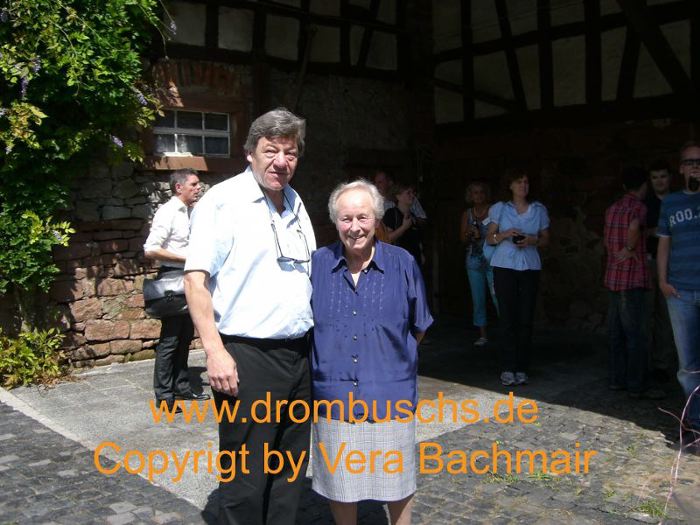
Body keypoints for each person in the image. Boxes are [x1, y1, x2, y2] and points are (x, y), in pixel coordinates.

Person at [184, 108, 316, 524]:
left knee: (290, 468)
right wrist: (214, 351)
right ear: (250, 153)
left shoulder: (296, 202)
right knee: (246, 473)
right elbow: (195, 281)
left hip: (299, 355)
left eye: (290, 153)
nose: (281, 162)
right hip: (248, 358)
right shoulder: (222, 202)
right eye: (271, 150)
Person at [310, 180, 433, 525]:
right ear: (335, 222)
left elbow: (420, 323)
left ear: (376, 218)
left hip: (389, 392)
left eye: (362, 217)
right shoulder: (318, 264)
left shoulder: (402, 263)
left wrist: (390, 359)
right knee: (341, 483)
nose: (355, 227)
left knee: (397, 480)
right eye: (346, 219)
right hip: (334, 394)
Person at [143, 168, 209, 411]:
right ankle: (164, 396)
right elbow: (150, 249)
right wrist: (186, 258)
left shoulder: (191, 212)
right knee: (170, 340)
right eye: (193, 184)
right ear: (179, 187)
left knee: (184, 337)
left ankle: (182, 387)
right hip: (172, 279)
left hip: (188, 278)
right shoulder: (168, 212)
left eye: (198, 183)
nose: (198, 187)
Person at [603, 167, 664, 400]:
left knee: (615, 332)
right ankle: (637, 383)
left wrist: (617, 252)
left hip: (613, 275)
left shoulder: (612, 209)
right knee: (636, 334)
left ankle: (616, 379)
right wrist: (629, 248)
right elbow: (634, 227)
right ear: (643, 186)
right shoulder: (639, 207)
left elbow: (608, 239)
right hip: (632, 275)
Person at [486, 169, 549, 386]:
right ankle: (507, 366)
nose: (523, 185)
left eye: (526, 181)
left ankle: (522, 367)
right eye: (519, 181)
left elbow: (545, 239)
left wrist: (532, 240)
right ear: (510, 185)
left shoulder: (539, 209)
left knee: (525, 318)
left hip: (529, 266)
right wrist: (504, 235)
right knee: (507, 317)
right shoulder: (500, 209)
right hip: (505, 266)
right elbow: (490, 238)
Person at [657, 141, 700, 454]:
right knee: (687, 364)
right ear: (682, 168)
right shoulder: (670, 202)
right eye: (690, 162)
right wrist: (662, 280)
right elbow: (663, 244)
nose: (695, 166)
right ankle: (694, 422)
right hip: (680, 291)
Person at [644, 159, 676, 382]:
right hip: (649, 261)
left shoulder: (677, 201)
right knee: (647, 314)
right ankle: (647, 362)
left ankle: (663, 363)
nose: (659, 181)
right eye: (655, 177)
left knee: (667, 315)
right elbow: (641, 232)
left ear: (670, 178)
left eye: (663, 176)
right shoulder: (645, 204)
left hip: (676, 263)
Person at [460, 181, 498, 346]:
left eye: (481, 192)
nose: (479, 195)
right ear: (471, 195)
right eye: (475, 192)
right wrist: (469, 233)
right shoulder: (467, 214)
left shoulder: (494, 210)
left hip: (493, 258)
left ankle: (507, 331)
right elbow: (462, 239)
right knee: (478, 299)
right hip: (474, 259)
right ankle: (483, 334)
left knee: (498, 297)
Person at [382, 180, 425, 268]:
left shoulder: (413, 216)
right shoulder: (391, 214)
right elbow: (387, 238)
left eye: (413, 193)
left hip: (414, 262)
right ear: (398, 196)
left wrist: (421, 254)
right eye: (408, 193)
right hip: (397, 263)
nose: (412, 196)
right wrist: (404, 227)